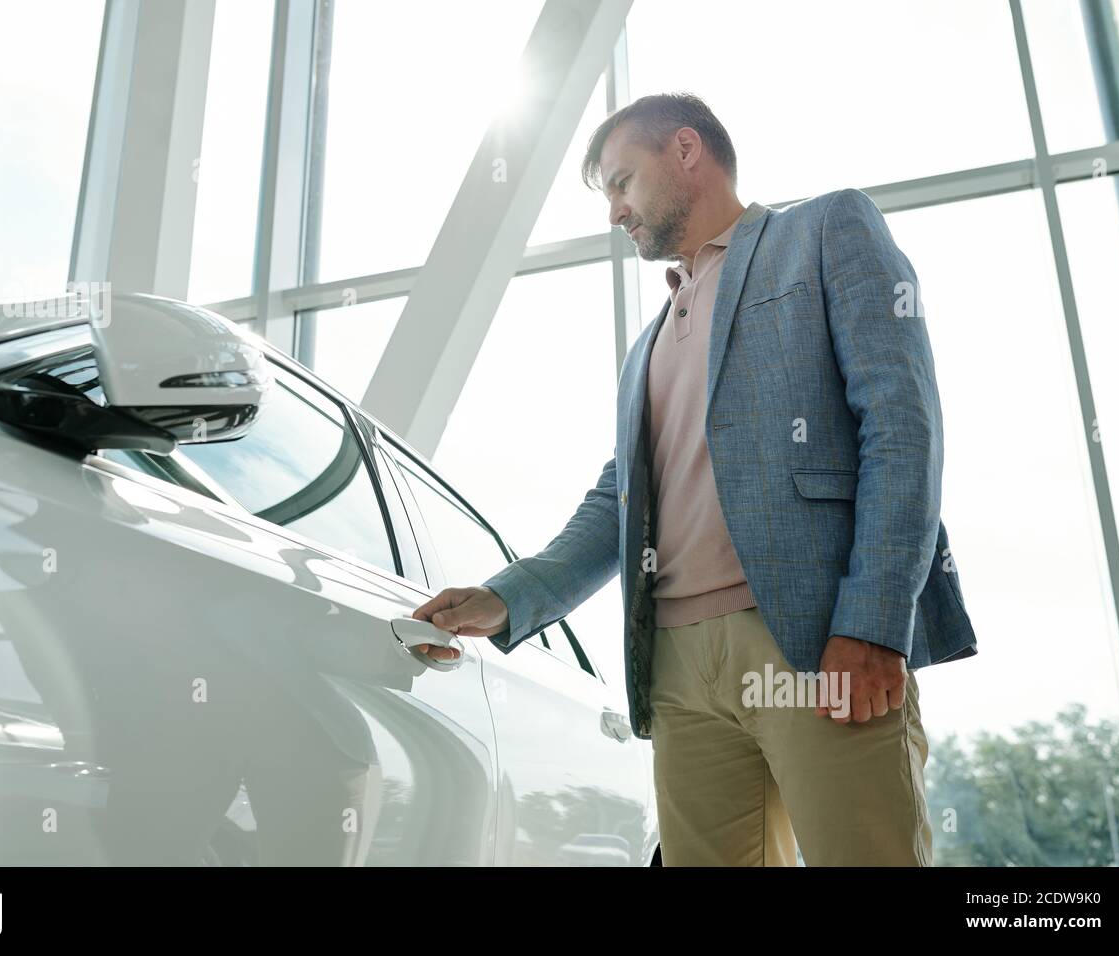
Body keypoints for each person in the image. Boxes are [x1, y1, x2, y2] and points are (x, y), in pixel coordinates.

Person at [413, 92, 977, 866]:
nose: (614, 211)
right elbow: (618, 500)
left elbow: (902, 429)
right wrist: (508, 598)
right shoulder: (646, 346)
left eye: (620, 182)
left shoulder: (823, 232)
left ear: (685, 150)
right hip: (677, 668)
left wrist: (875, 622)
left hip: (811, 640)